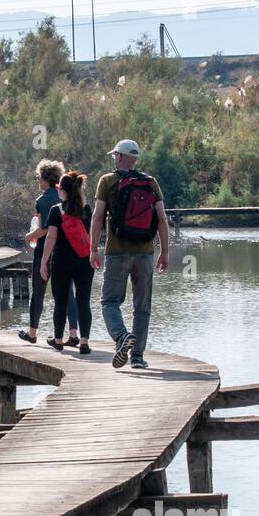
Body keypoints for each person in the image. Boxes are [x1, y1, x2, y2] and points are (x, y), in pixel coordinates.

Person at [89, 139, 170, 369]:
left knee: (109, 302)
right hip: (145, 253)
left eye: (116, 155)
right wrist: (164, 252)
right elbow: (162, 219)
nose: (114, 158)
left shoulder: (107, 181)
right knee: (142, 307)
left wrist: (93, 249)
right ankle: (137, 357)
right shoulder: (150, 182)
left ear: (123, 157)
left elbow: (97, 217)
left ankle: (121, 336)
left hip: (117, 253)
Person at [18, 158, 82, 344]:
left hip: (45, 252)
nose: (38, 181)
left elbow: (45, 228)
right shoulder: (65, 195)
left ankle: (32, 333)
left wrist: (29, 236)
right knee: (68, 293)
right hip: (66, 252)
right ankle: (73, 334)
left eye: (38, 177)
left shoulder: (43, 200)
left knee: (38, 292)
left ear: (46, 179)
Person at [39, 172, 95, 354]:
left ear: (61, 191)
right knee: (84, 302)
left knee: (60, 302)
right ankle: (84, 342)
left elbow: (51, 237)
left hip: (62, 262)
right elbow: (93, 235)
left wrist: (44, 261)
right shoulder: (87, 210)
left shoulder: (56, 210)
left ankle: (58, 340)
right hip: (84, 261)